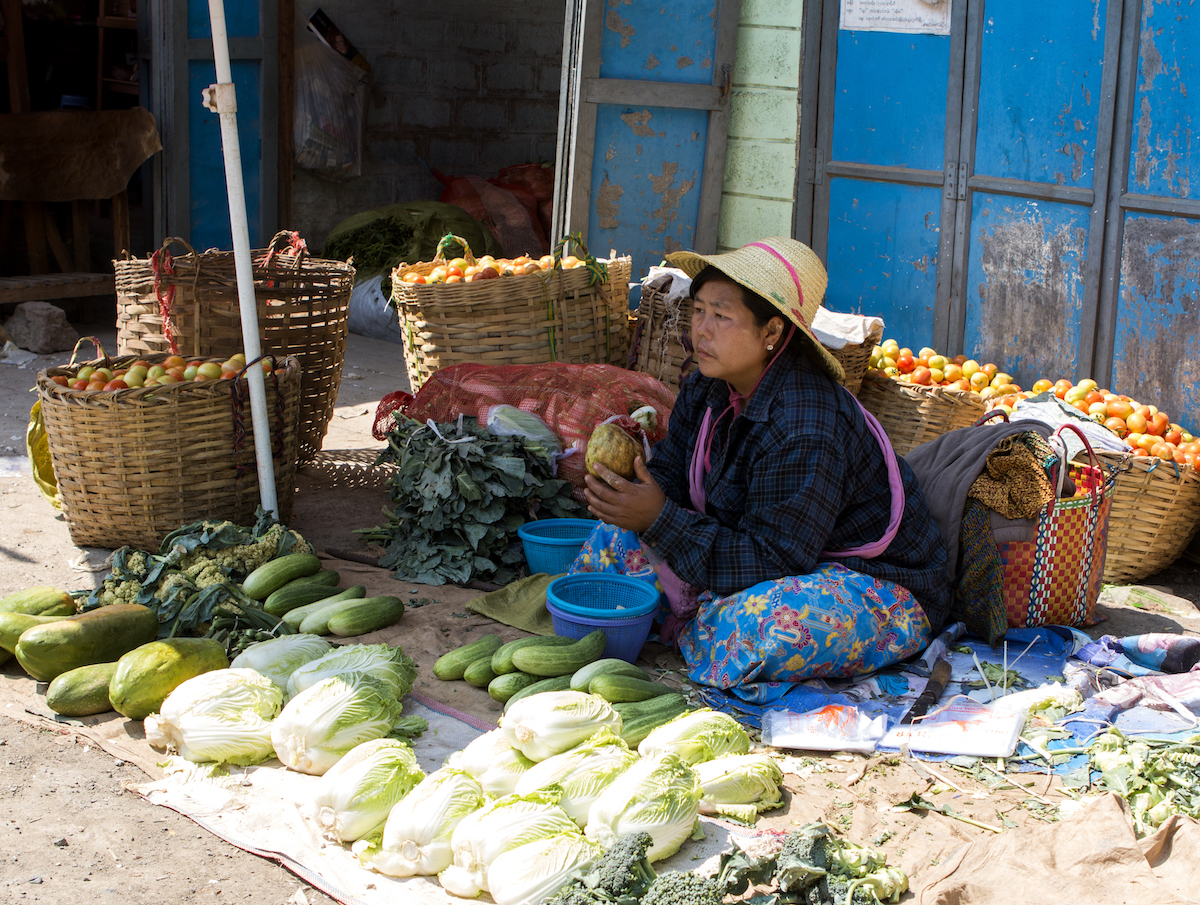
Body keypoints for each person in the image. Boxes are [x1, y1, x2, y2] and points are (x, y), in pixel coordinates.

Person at [573, 237, 951, 693]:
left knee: (768, 626)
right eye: (698, 310)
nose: (702, 330)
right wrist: (627, 492)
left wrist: (659, 519)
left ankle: (689, 617)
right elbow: (671, 477)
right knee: (611, 541)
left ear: (771, 333)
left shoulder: (808, 422)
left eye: (721, 315)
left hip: (870, 585)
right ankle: (697, 616)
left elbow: (775, 559)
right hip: (752, 559)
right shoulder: (707, 388)